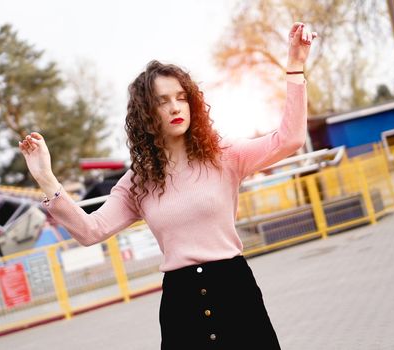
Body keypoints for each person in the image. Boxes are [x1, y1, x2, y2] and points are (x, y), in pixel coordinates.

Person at [19, 22, 316, 350]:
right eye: (163, 101)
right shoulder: (139, 182)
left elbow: (289, 140)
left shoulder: (223, 155)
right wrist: (46, 178)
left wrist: (294, 66)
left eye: (181, 98)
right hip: (182, 305)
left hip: (236, 296)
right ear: (147, 113)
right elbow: (91, 231)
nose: (175, 107)